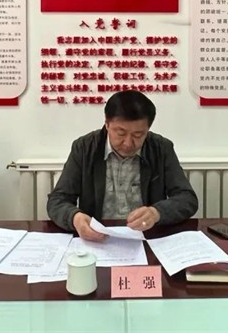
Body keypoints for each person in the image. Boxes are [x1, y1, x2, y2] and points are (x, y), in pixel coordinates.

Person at [47, 90, 198, 241]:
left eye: (138, 135)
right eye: (120, 133)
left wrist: (156, 213)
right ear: (107, 124)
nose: (128, 143)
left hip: (147, 237)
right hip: (98, 238)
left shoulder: (161, 148)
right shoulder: (85, 148)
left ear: (148, 129)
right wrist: (75, 218)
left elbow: (187, 198)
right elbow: (57, 200)